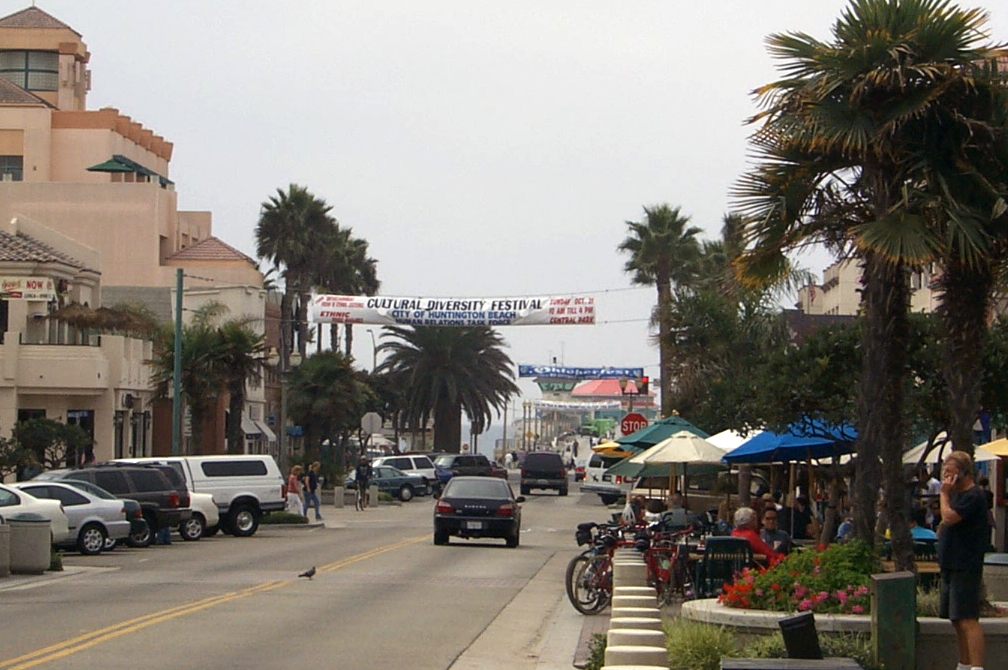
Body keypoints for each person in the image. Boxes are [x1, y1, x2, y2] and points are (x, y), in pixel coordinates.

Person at [937, 450, 987, 670]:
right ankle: (964, 663)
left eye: (950, 472)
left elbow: (949, 517)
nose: (946, 477)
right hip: (950, 564)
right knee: (955, 618)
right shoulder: (956, 495)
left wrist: (944, 494)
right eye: (944, 472)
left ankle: (976, 666)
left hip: (965, 564)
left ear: (963, 473)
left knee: (967, 618)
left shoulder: (973, 496)